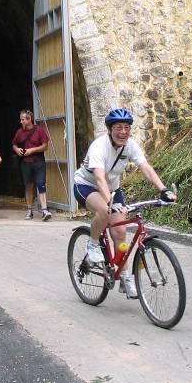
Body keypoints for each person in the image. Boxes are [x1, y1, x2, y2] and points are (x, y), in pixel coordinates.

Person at [73, 108, 176, 298]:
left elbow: (145, 167)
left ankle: (126, 278)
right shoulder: (99, 146)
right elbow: (99, 179)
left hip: (112, 188)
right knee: (104, 211)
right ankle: (93, 244)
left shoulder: (130, 146)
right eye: (118, 127)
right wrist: (109, 203)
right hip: (87, 185)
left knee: (120, 232)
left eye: (127, 127)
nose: (123, 132)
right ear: (109, 129)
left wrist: (163, 190)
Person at [12, 109, 52, 222]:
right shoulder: (19, 132)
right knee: (28, 186)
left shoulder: (40, 131)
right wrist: (17, 149)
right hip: (25, 163)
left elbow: (45, 146)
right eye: (21, 119)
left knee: (41, 184)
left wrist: (32, 150)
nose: (21, 122)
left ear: (29, 119)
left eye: (23, 119)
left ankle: (44, 210)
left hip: (38, 161)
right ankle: (29, 209)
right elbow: (14, 144)